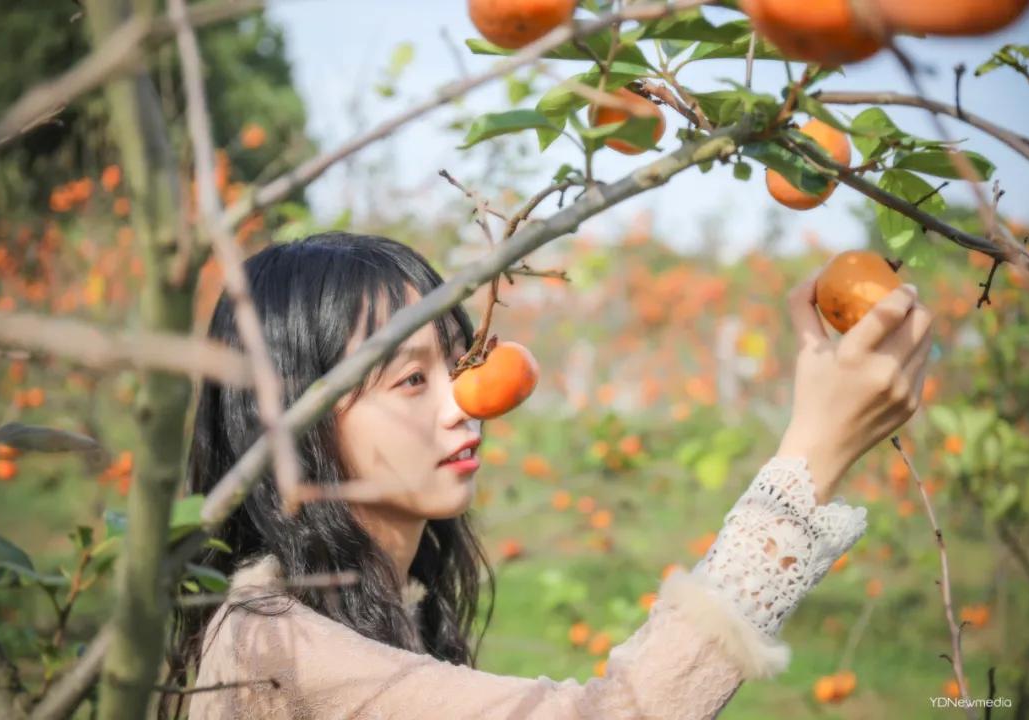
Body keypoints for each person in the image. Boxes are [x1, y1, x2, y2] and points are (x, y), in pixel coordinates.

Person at [165, 231, 933, 719]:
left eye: (460, 365)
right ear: (296, 420)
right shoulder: (277, 651)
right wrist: (812, 455)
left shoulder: (364, 606)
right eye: (410, 381)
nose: (464, 409)